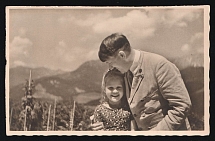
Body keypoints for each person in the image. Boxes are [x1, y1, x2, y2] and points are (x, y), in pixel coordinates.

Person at [91, 33, 192, 131]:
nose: (111, 67)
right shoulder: (124, 70)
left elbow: (182, 106)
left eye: (111, 62)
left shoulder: (160, 66)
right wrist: (101, 122)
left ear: (122, 55)